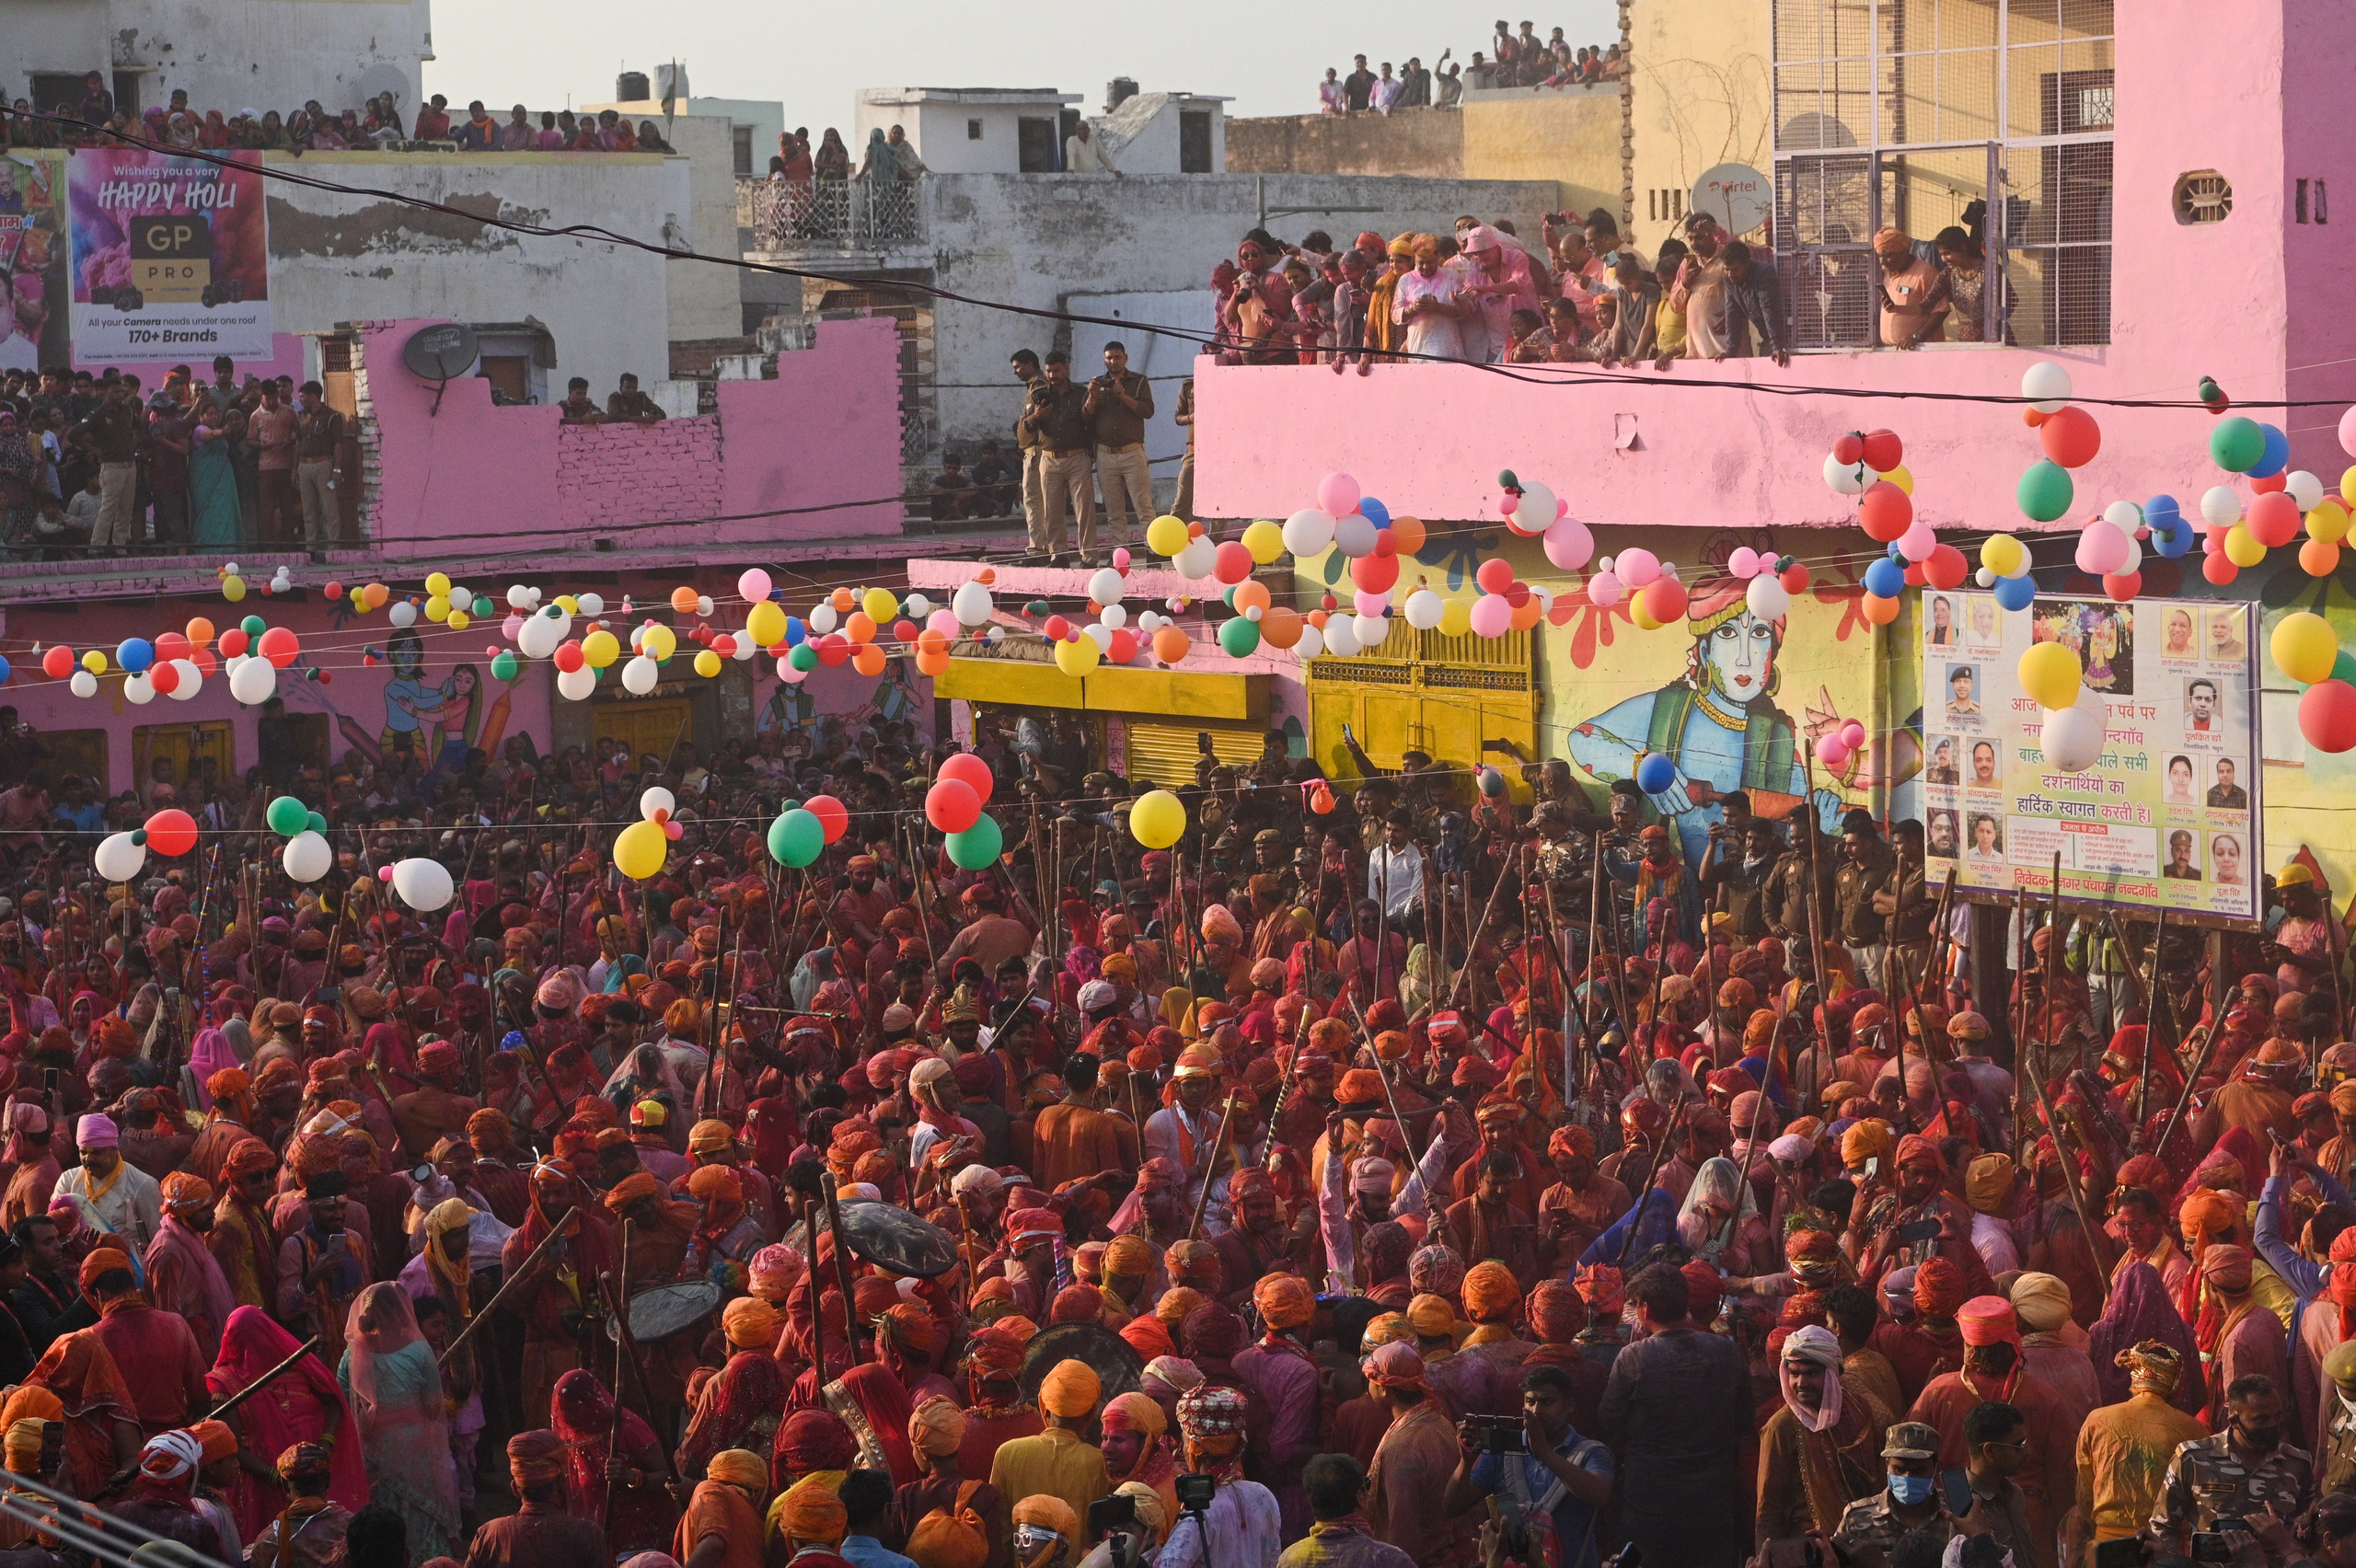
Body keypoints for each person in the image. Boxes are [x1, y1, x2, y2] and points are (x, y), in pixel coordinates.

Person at [1597, 1262, 1751, 1564]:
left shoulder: (1633, 1358)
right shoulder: (1726, 1351)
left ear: (1644, 1309)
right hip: (1713, 1507)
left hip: (1650, 1508)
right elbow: (1744, 1421)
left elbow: (1608, 1425)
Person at [1443, 1364, 1612, 1568]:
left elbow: (1600, 1494)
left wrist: (1546, 1454)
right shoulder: (1502, 1451)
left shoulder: (1591, 1452)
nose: (1536, 1411)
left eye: (1546, 1402)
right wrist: (1465, 1462)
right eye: (1530, 1402)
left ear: (1569, 1405)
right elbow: (1452, 1506)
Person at [340, 1281, 461, 1562]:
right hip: (416, 1453)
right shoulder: (419, 1351)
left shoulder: (352, 1356)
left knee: (382, 1513)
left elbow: (344, 1403)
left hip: (375, 1451)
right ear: (401, 1311)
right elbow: (433, 1407)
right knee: (421, 1510)